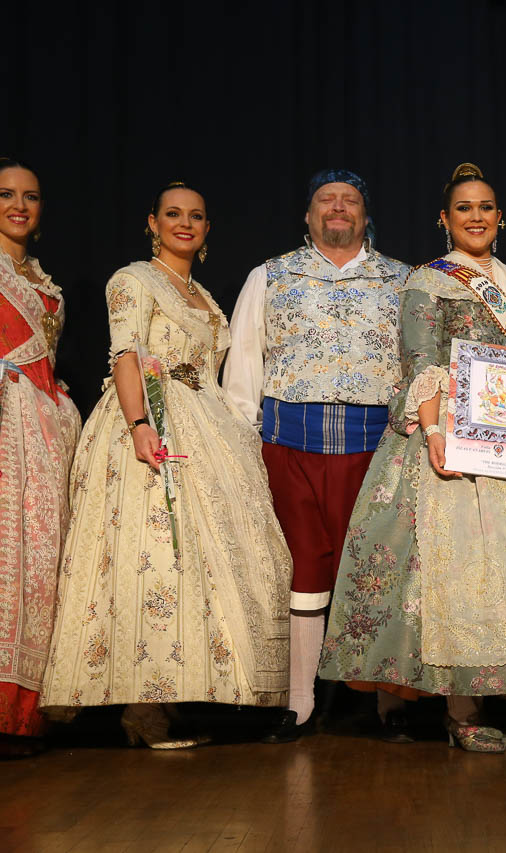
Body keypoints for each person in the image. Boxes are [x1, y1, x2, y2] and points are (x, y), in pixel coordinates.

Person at [318, 163, 506, 751]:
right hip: (453, 432)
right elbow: (420, 361)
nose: (476, 217)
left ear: (501, 216)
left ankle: (473, 700)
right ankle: (430, 705)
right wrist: (433, 431)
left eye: (485, 207)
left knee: (503, 573)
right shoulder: (426, 282)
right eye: (464, 208)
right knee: (448, 569)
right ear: (445, 219)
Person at [40, 182, 292, 747]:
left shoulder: (201, 293)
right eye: (173, 214)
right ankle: (141, 709)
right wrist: (139, 426)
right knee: (154, 554)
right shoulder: (133, 279)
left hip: (206, 418)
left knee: (206, 560)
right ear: (151, 223)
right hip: (153, 415)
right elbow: (125, 352)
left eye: (196, 216)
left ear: (207, 229)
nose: (185, 223)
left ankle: (174, 692)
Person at [223, 169, 410, 742]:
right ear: (307, 216)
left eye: (349, 201)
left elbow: (416, 368)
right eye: (325, 201)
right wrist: (241, 439)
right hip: (290, 444)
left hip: (374, 448)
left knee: (375, 568)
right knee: (305, 567)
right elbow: (245, 362)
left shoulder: (402, 280)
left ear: (364, 214)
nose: (337, 209)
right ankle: (300, 704)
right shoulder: (270, 276)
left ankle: (386, 703)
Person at [0, 158, 81, 754]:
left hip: (46, 428)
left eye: (30, 196)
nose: (18, 206)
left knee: (40, 565)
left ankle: (24, 714)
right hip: (7, 423)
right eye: (5, 195)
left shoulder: (39, 277)